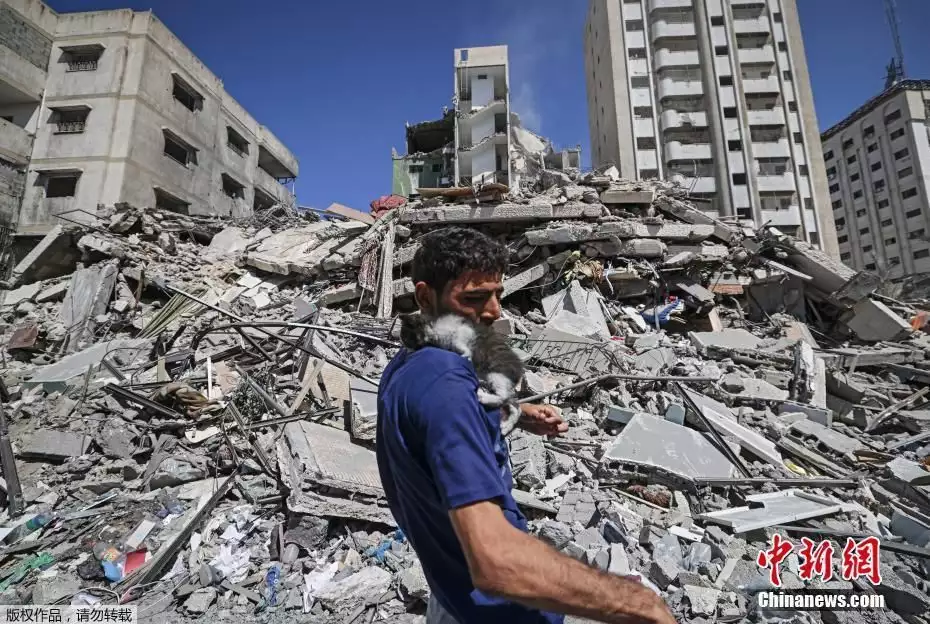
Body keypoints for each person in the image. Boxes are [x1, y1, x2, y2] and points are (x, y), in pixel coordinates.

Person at [376, 227, 676, 624]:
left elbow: (432, 430)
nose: (494, 310)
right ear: (425, 296)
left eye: (498, 294)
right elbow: (497, 563)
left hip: (451, 591)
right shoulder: (444, 385)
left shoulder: (409, 363)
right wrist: (640, 604)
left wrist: (516, 413)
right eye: (473, 298)